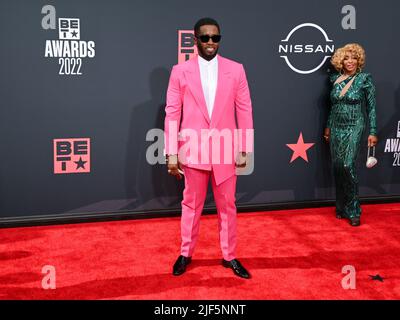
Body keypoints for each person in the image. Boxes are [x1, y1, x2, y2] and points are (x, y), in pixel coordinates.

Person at [164, 17, 254, 278]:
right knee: (191, 206)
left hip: (226, 150)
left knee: (228, 206)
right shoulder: (179, 71)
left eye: (215, 38)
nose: (211, 42)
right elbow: (172, 113)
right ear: (196, 40)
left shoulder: (236, 69)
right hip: (193, 151)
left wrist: (244, 147)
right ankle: (185, 253)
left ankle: (230, 256)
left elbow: (245, 110)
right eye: (205, 38)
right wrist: (171, 152)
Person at [324, 43, 378, 227]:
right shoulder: (335, 79)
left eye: (353, 58)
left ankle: (354, 209)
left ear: (359, 60)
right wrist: (328, 127)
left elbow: (371, 108)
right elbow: (333, 106)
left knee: (348, 165)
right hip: (336, 126)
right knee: (338, 167)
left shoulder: (364, 79)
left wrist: (372, 131)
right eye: (346, 58)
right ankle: (340, 207)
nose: (350, 62)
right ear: (340, 61)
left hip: (355, 124)